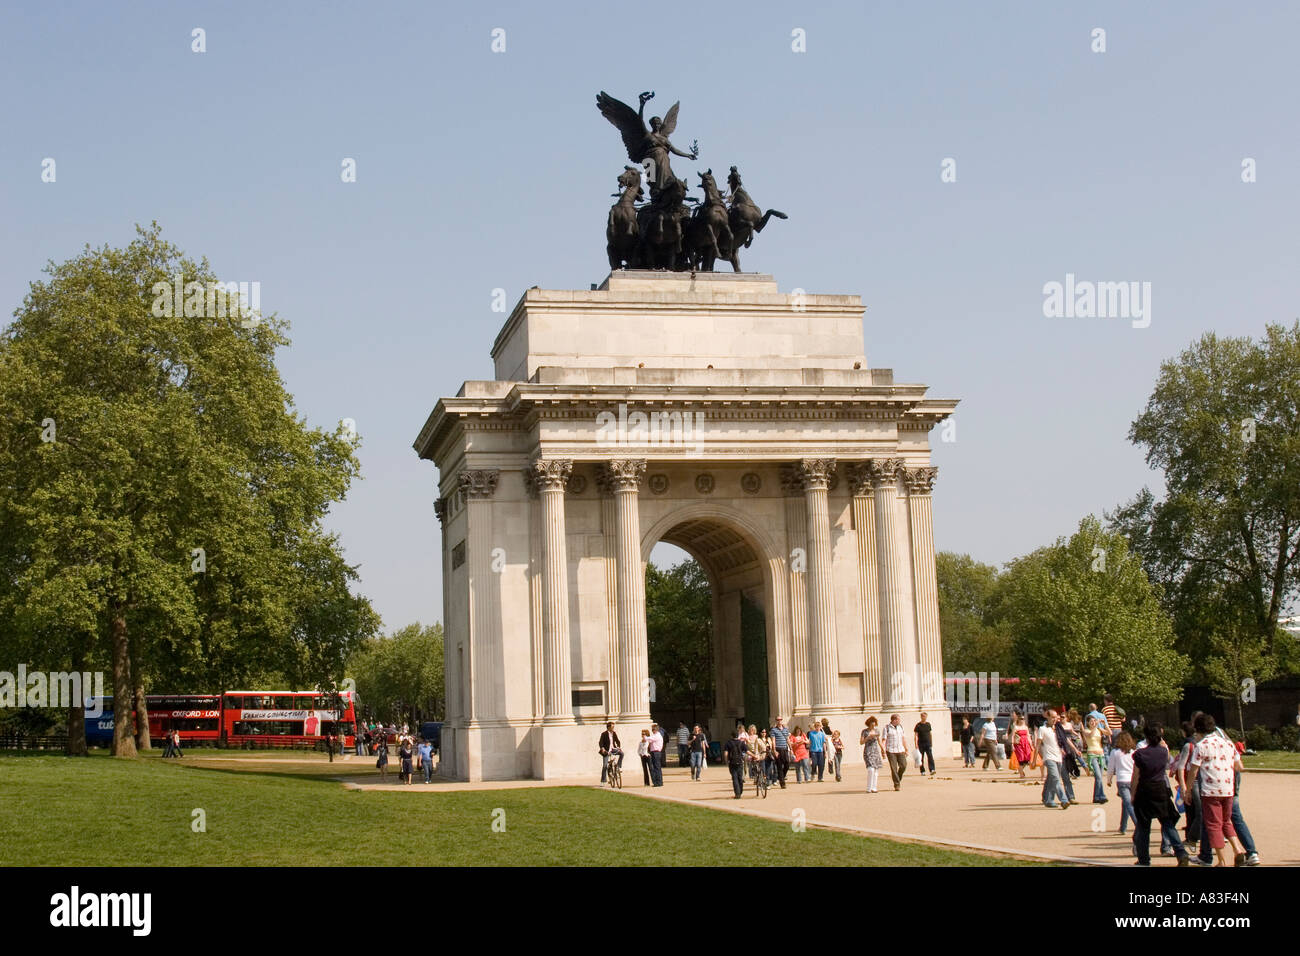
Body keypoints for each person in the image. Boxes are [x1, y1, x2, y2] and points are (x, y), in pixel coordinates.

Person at [1187, 714, 1248, 867]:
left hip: (1210, 790)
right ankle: (1238, 849)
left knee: (1213, 825)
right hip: (1228, 789)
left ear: (1198, 729)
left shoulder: (1201, 746)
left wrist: (1188, 790)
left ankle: (1221, 860)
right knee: (1226, 822)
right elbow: (1240, 766)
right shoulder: (1228, 743)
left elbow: (1193, 771)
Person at [1130, 723, 1189, 865]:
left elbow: (1135, 776)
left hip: (1145, 789)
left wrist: (1133, 794)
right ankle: (1181, 853)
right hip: (1160, 788)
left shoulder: (1140, 754)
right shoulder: (1163, 752)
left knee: (1144, 827)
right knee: (1168, 823)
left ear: (1146, 737)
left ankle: (1144, 859)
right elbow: (1167, 754)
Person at [1034, 709, 1070, 810]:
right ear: (1048, 717)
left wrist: (1063, 749)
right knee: (1056, 778)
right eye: (1053, 717)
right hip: (1049, 757)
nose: (1055, 719)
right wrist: (1034, 760)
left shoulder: (1058, 728)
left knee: (1051, 779)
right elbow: (1038, 745)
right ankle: (1064, 800)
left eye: (1056, 717)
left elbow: (1062, 741)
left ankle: (1048, 799)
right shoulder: (1042, 729)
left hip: (1058, 757)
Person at [1106, 731, 1137, 834]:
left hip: (1122, 780)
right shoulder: (1133, 752)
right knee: (1125, 803)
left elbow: (1111, 767)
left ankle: (1138, 824)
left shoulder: (1115, 752)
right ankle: (1123, 827)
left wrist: (1109, 779)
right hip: (1132, 780)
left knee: (1128, 803)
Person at [1083, 715, 1107, 803]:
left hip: (1101, 754)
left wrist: (1105, 724)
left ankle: (1097, 797)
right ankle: (1102, 795)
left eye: (1094, 720)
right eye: (1091, 721)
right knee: (1098, 776)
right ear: (1088, 723)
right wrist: (1096, 726)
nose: (1093, 722)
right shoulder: (1086, 730)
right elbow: (1090, 735)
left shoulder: (1098, 730)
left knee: (1099, 777)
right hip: (1092, 755)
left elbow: (1109, 733)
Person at [883, 714, 909, 790]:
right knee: (893, 768)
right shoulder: (887, 728)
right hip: (891, 750)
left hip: (900, 750)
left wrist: (906, 748)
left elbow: (903, 738)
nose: (899, 721)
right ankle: (897, 784)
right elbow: (884, 739)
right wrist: (883, 750)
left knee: (903, 765)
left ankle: (898, 778)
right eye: (898, 719)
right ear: (894, 720)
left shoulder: (901, 727)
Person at [724, 727, 749, 799]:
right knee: (740, 777)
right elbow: (747, 751)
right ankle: (740, 791)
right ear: (738, 735)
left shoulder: (728, 743)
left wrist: (726, 761)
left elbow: (725, 754)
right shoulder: (741, 743)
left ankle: (737, 793)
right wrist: (754, 756)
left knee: (734, 778)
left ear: (731, 736)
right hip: (740, 761)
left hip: (732, 762)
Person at [861, 717, 884, 793]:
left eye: (874, 723)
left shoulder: (877, 731)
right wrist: (867, 738)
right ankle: (868, 787)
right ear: (869, 723)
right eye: (872, 723)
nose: (873, 724)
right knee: (871, 769)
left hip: (875, 751)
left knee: (876, 770)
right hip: (868, 751)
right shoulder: (864, 731)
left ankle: (874, 787)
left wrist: (882, 749)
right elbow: (861, 742)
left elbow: (879, 741)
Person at [1009, 712, 1033, 778]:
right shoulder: (1016, 727)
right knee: (1021, 759)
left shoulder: (1025, 727)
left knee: (1027, 759)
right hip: (1019, 744)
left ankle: (1021, 770)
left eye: (1023, 719)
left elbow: (1028, 736)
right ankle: (1021, 774)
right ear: (1018, 719)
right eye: (1021, 719)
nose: (1022, 720)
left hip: (1026, 744)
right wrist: (1012, 745)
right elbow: (1013, 736)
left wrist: (1031, 745)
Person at [769, 716, 791, 788]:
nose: (779, 721)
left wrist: (791, 747)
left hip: (785, 749)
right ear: (776, 721)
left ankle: (781, 777)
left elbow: (787, 739)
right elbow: (773, 740)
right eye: (777, 720)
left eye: (780, 719)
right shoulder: (773, 730)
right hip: (778, 749)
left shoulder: (785, 729)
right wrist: (774, 750)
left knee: (787, 764)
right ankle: (782, 783)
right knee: (779, 766)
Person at [914, 712, 936, 778]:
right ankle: (922, 771)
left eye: (925, 716)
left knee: (930, 757)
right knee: (921, 758)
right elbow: (916, 735)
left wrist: (931, 742)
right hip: (921, 744)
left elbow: (930, 733)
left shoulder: (928, 724)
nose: (924, 717)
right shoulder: (918, 725)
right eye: (923, 716)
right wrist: (916, 744)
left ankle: (932, 769)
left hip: (928, 743)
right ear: (921, 717)